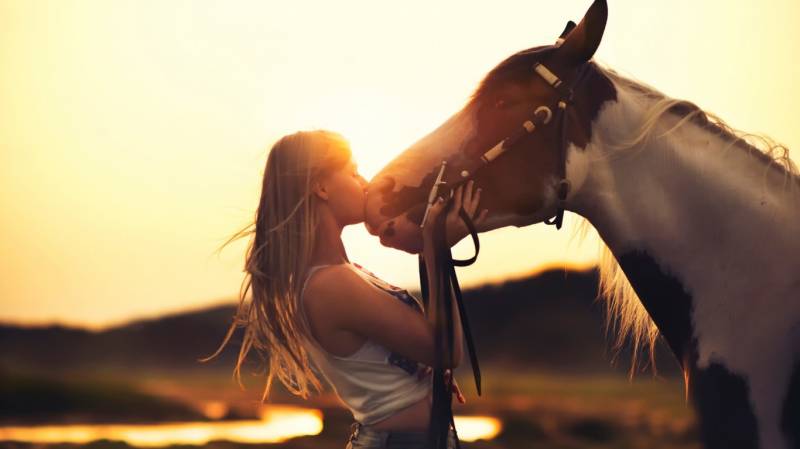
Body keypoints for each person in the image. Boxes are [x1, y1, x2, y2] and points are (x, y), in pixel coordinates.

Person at [203, 130, 488, 449]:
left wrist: (423, 378)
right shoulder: (331, 285)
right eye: (353, 172)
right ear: (321, 187)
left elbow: (413, 354)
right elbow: (446, 351)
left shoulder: (341, 275)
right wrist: (435, 247)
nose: (364, 181)